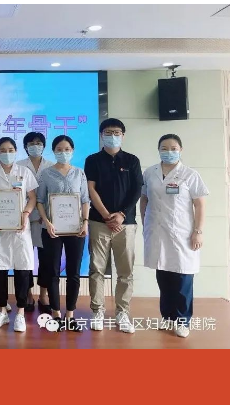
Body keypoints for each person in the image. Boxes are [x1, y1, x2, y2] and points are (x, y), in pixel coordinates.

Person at [141, 134, 208, 338]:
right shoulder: (150, 173)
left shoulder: (189, 174)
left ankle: (182, 320)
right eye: (164, 148)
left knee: (182, 277)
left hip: (182, 233)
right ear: (158, 150)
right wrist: (145, 222)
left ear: (180, 150)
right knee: (163, 275)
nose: (169, 152)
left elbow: (200, 204)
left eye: (173, 148)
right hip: (157, 232)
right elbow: (144, 199)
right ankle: (168, 316)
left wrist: (198, 231)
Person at [84, 118, 143, 334]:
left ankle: (122, 312)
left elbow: (137, 190)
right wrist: (107, 215)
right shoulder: (92, 160)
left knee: (125, 271)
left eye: (117, 132)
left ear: (123, 135)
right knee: (96, 270)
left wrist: (121, 214)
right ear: (101, 135)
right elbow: (91, 189)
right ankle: (97, 310)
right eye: (108, 132)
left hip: (125, 224)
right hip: (99, 222)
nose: (112, 136)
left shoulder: (132, 160)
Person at [36, 135, 90, 331]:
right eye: (59, 149)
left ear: (72, 151)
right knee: (52, 272)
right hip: (52, 229)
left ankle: (70, 314)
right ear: (53, 151)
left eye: (67, 149)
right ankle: (56, 313)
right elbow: (40, 201)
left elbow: (85, 200)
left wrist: (85, 222)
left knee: (74, 273)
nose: (63, 152)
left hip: (76, 229)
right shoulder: (46, 174)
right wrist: (47, 221)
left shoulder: (79, 173)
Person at [0, 137, 38, 332]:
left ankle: (21, 313)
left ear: (16, 151)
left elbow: (32, 198)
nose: (7, 153)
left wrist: (25, 214)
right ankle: (2, 312)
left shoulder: (24, 172)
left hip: (20, 229)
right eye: (3, 150)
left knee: (22, 269)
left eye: (10, 149)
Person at [16, 132, 55, 312]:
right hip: (24, 218)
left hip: (46, 219)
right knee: (24, 259)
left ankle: (43, 294)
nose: (35, 146)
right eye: (31, 143)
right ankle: (28, 293)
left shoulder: (52, 166)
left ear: (44, 146)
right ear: (25, 147)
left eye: (38, 143)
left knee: (46, 259)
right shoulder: (18, 166)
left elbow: (54, 194)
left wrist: (46, 214)